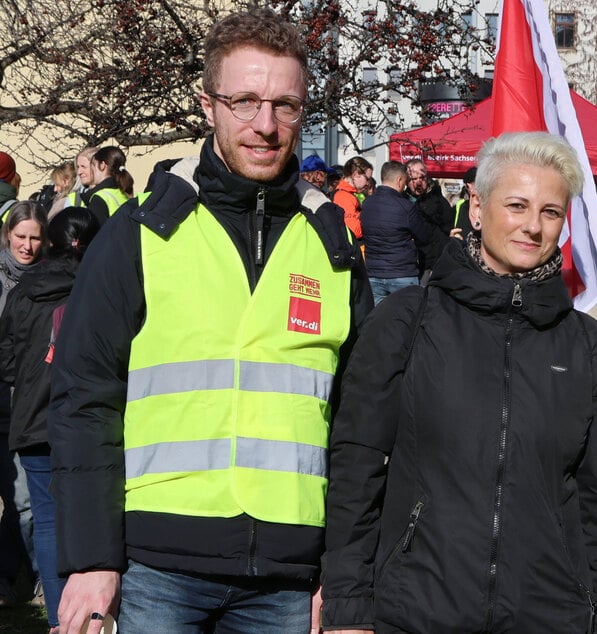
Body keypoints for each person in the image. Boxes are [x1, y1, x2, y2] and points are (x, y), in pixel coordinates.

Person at [48, 9, 373, 634]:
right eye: (244, 100)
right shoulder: (141, 232)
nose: (265, 125)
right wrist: (90, 560)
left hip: (288, 576)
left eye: (285, 104)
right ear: (208, 106)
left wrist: (345, 574)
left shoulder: (332, 245)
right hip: (155, 570)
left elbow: (359, 431)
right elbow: (83, 400)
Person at [321, 132, 597, 632]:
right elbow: (356, 470)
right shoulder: (407, 321)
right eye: (516, 205)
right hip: (416, 610)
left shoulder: (585, 344)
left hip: (549, 614)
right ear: (476, 207)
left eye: (551, 212)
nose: (533, 226)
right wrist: (348, 606)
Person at [0, 206, 100, 632]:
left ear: (50, 242)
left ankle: (62, 614)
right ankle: (88, 611)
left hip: (35, 418)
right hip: (88, 418)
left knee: (45, 515)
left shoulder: (26, 290)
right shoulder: (102, 286)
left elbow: (5, 358)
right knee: (91, 514)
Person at [0, 201, 47, 610]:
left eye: (35, 237)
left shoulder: (52, 281)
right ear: (7, 236)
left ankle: (20, 575)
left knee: (23, 502)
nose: (28, 246)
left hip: (26, 409)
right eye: (21, 237)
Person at [360, 160, 432, 305]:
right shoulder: (406, 207)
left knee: (379, 321)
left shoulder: (367, 204)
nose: (405, 186)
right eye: (405, 181)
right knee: (406, 320)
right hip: (402, 273)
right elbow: (424, 237)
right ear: (399, 180)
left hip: (374, 272)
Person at [405, 158, 453, 277]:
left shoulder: (438, 201)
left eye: (422, 178)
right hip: (408, 264)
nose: (418, 182)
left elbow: (448, 230)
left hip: (433, 263)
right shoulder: (402, 201)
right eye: (413, 179)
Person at [82, 146, 134, 227]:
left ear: (102, 165)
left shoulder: (99, 198)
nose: (92, 172)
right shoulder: (124, 192)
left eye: (94, 166)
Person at [332, 156, 373, 240]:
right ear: (355, 175)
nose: (368, 183)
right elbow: (354, 231)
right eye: (367, 179)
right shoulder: (343, 197)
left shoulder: (348, 194)